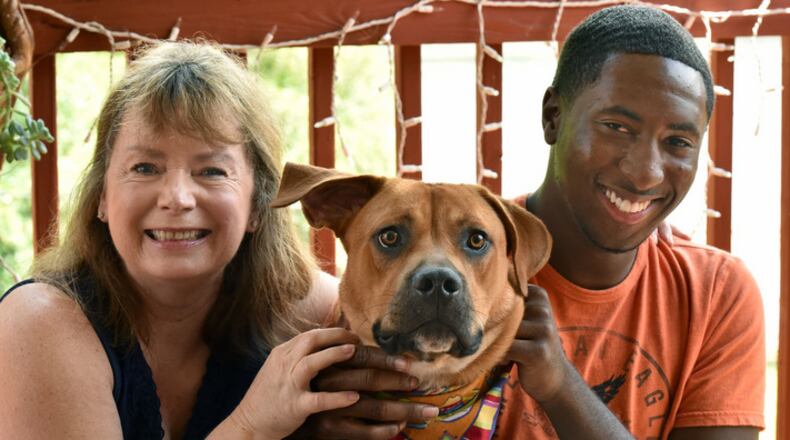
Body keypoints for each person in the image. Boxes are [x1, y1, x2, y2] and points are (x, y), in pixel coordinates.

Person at [0, 41, 430, 439]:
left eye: (212, 171)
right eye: (146, 167)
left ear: (259, 206)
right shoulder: (39, 324)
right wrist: (251, 427)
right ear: (102, 198)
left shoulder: (317, 316)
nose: (177, 198)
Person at [495, 5, 765, 439]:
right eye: (617, 127)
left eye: (677, 141)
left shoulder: (715, 292)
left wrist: (560, 386)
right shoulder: (465, 257)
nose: (646, 173)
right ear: (553, 117)